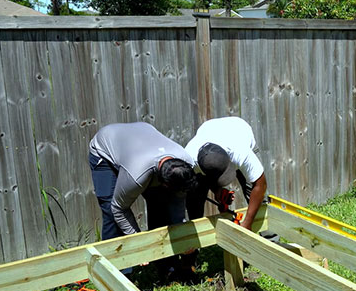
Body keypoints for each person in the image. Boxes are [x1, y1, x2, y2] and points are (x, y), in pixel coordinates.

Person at [89, 122, 197, 276]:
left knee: (159, 205)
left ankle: (165, 265)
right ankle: (119, 273)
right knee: (111, 213)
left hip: (139, 142)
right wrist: (138, 243)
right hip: (105, 148)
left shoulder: (185, 163)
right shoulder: (137, 175)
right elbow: (119, 208)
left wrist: (183, 236)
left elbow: (177, 206)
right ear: (165, 184)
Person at [184, 117, 269, 234]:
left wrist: (247, 223)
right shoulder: (190, 159)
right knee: (196, 194)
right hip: (208, 130)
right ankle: (193, 245)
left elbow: (260, 185)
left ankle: (270, 239)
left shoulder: (240, 151)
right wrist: (217, 190)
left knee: (258, 197)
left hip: (238, 130)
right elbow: (204, 178)